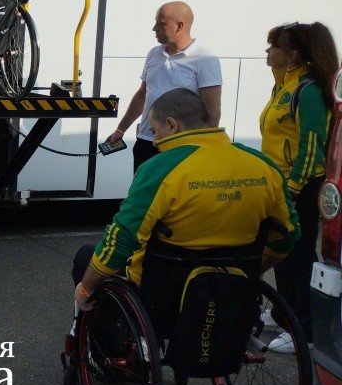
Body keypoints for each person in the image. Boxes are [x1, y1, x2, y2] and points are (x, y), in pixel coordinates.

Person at [73, 89, 298, 315]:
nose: (155, 141)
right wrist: (253, 271)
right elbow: (288, 233)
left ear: (171, 126)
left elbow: (122, 237)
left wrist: (86, 288)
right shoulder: (263, 166)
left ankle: (106, 343)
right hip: (233, 289)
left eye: (154, 131)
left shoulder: (159, 169)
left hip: (165, 298)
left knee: (86, 256)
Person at [259, 21, 340, 353]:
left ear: (292, 55)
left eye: (274, 46)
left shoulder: (306, 91)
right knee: (281, 255)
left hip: (300, 188)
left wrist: (289, 190)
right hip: (281, 186)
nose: (267, 51)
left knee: (297, 258)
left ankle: (302, 331)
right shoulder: (283, 84)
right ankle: (283, 314)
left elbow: (311, 148)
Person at [106, 1, 222, 172]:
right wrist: (120, 129)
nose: (154, 28)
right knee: (143, 196)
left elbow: (212, 109)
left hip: (182, 146)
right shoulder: (154, 53)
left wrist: (206, 147)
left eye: (160, 23)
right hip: (147, 141)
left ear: (179, 26)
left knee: (176, 197)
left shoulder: (205, 59)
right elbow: (142, 95)